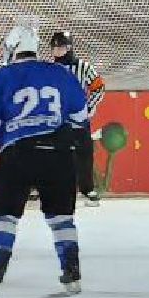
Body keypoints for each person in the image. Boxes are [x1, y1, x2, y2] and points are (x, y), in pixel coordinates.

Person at [0, 21, 91, 294]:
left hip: (18, 155)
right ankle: (72, 273)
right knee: (61, 218)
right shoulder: (61, 73)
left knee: (5, 217)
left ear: (11, 48)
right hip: (59, 156)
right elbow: (80, 120)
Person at [46, 31, 107, 206]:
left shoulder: (83, 67)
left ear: (69, 47)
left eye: (60, 47)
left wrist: (88, 107)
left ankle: (87, 189)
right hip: (56, 120)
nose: (56, 51)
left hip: (79, 119)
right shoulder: (49, 68)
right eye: (54, 47)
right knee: (52, 154)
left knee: (84, 154)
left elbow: (99, 87)